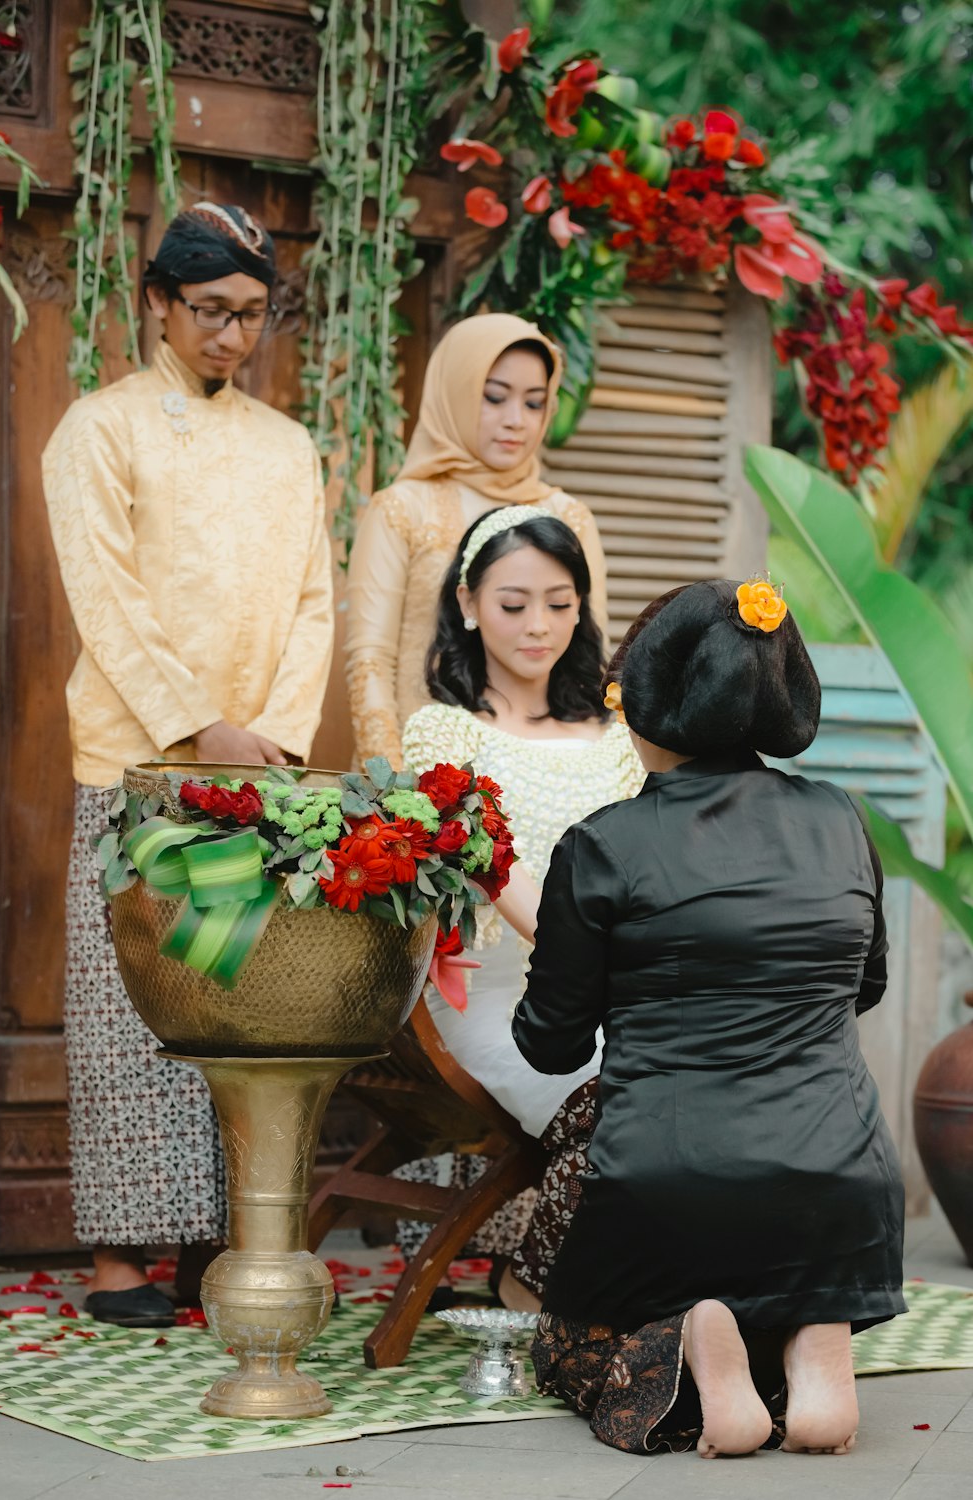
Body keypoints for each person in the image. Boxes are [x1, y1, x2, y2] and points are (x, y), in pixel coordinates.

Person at [512, 578, 905, 1458]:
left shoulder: (603, 843)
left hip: (673, 1180)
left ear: (647, 698)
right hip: (841, 1182)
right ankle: (810, 1337)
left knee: (567, 1342)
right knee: (780, 1254)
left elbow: (551, 1043)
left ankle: (694, 1337)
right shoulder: (841, 820)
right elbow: (862, 987)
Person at [42, 201, 334, 1326]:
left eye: (252, 315)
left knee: (228, 994)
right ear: (158, 301)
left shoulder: (286, 445)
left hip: (254, 770)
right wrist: (197, 726)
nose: (230, 336)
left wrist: (272, 738)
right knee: (133, 1007)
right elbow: (107, 603)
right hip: (137, 767)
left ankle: (209, 1249)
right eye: (209, 311)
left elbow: (314, 602)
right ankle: (122, 1258)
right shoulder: (99, 430)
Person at [400, 507, 644, 1309]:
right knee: (631, 1102)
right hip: (499, 995)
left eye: (560, 602)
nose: (539, 626)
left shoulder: (618, 737)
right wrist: (592, 961)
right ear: (468, 604)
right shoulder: (443, 733)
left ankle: (552, 1281)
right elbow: (488, 870)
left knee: (703, 1087)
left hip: (617, 985)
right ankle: (536, 1287)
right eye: (513, 604)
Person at [346, 313, 608, 769]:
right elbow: (370, 661)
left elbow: (588, 648)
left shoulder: (569, 515)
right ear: (455, 393)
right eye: (494, 398)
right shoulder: (402, 508)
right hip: (416, 779)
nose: (515, 421)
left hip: (546, 768)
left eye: (533, 403)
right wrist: (399, 789)